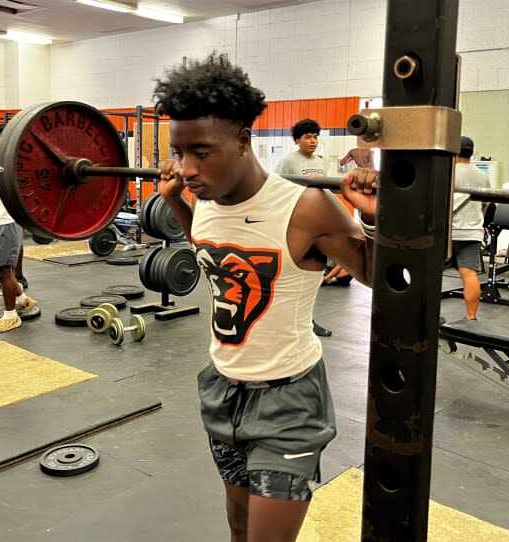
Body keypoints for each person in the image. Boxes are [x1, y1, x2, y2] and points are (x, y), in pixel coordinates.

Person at [153, 53, 376, 542]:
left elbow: (375, 275)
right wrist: (173, 201)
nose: (187, 168)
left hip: (288, 400)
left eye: (202, 152)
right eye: (180, 151)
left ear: (242, 140)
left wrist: (376, 217)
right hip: (221, 387)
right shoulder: (203, 199)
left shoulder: (306, 207)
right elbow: (211, 251)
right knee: (237, 524)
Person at [275, 119, 333, 337]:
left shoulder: (321, 161)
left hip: (318, 223)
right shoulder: (289, 161)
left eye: (315, 136)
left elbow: (327, 191)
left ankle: (307, 321)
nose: (313, 141)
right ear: (297, 140)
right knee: (291, 274)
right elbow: (277, 187)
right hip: (295, 223)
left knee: (313, 275)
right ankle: (285, 320)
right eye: (308, 137)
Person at [0, 124, 37, 332]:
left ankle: (11, 315)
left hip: (4, 220)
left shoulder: (10, 158)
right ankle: (21, 298)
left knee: (4, 269)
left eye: (0, 138)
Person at [450, 136, 490, 320]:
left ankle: (427, 316)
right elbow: (485, 205)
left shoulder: (448, 172)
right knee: (469, 275)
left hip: (447, 234)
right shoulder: (482, 176)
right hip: (472, 233)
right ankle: (471, 317)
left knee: (431, 275)